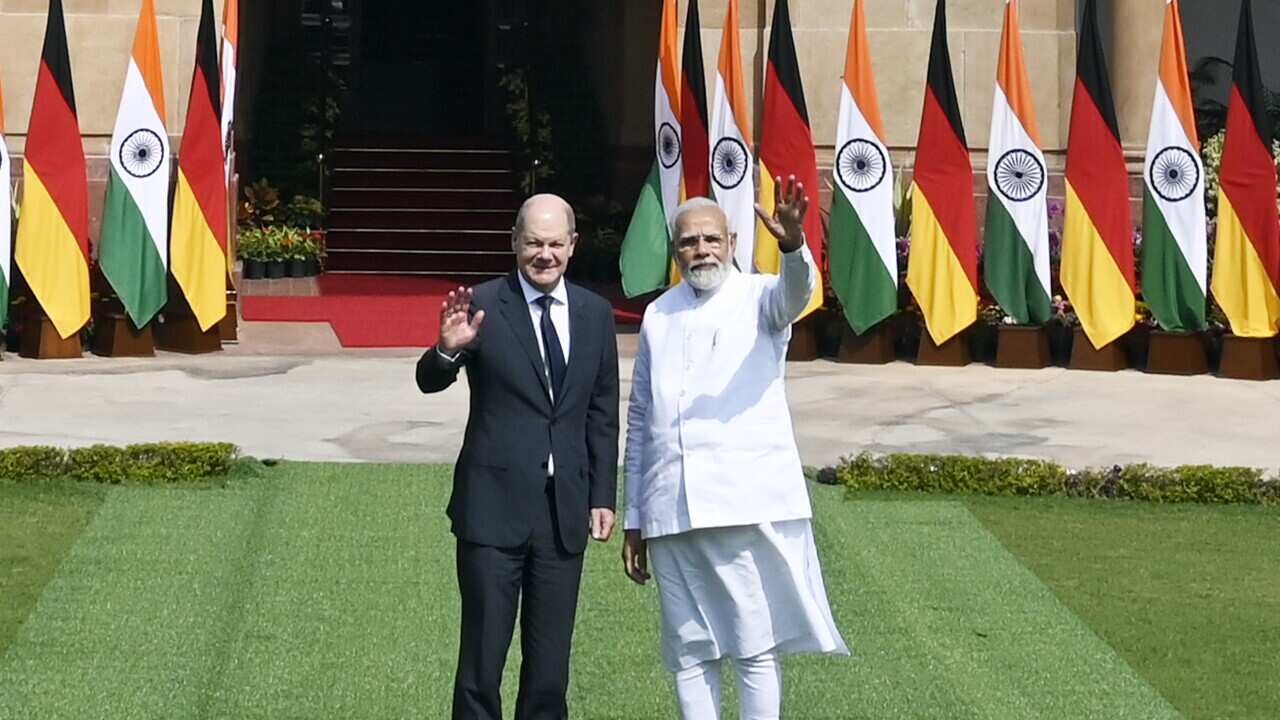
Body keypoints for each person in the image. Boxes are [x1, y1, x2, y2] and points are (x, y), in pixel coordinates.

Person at [621, 179, 849, 719]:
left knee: (754, 646)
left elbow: (798, 294)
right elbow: (641, 419)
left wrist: (793, 247)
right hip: (670, 509)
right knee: (689, 650)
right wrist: (634, 516)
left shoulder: (760, 297)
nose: (701, 251)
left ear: (731, 241)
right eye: (688, 243)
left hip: (742, 504)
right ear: (674, 251)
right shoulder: (659, 314)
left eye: (711, 239)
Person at [417, 193, 620, 720]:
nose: (544, 254)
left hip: (563, 516)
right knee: (481, 666)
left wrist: (602, 495)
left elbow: (601, 412)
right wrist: (447, 349)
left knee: (550, 672)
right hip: (493, 514)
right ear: (514, 242)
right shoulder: (483, 304)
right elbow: (428, 381)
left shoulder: (596, 314)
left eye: (555, 243)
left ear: (573, 246)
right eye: (534, 242)